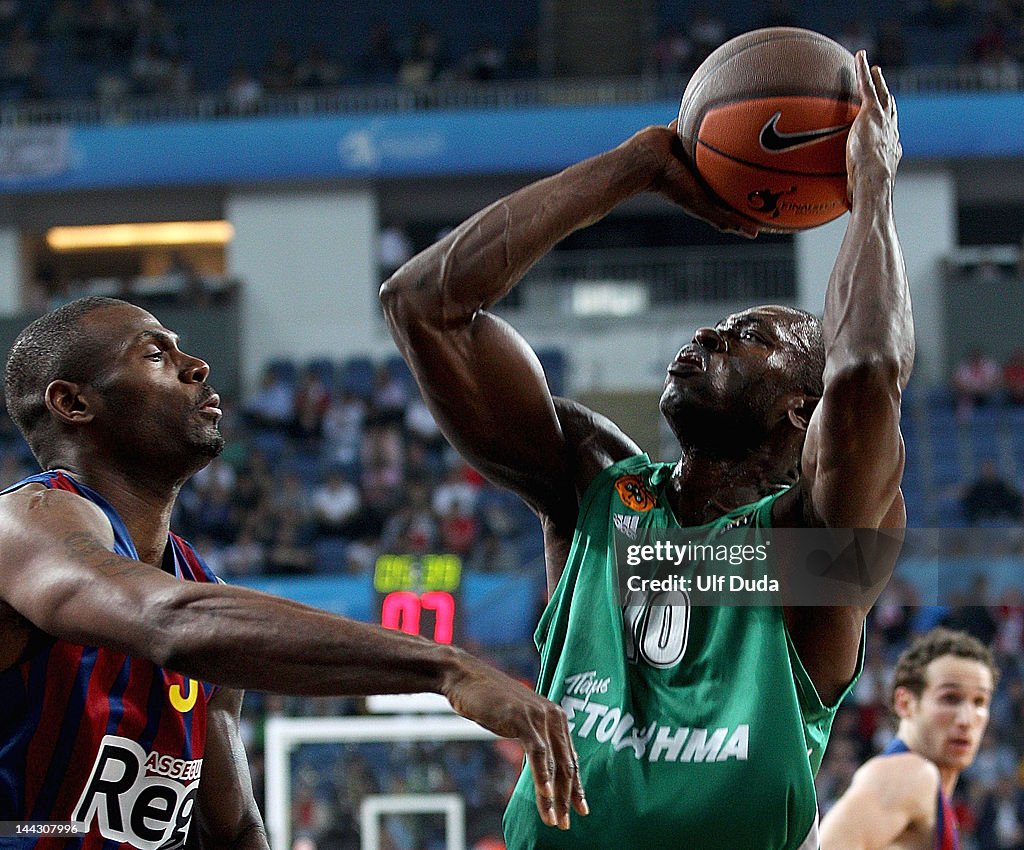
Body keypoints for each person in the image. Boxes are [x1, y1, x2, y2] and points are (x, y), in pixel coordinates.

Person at [381, 51, 912, 849]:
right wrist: (635, 167)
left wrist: (869, 191)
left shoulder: (813, 551)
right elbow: (425, 304)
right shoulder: (591, 485)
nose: (707, 335)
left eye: (749, 337)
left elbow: (869, 371)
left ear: (806, 407)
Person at [0, 296, 585, 847]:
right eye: (155, 354)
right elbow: (168, 622)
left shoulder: (206, 595)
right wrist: (446, 668)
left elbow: (234, 832)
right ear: (73, 403)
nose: (197, 365)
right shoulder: (23, 523)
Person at [819, 628, 999, 850]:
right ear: (905, 703)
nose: (966, 719)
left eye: (979, 701)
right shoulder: (910, 773)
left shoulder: (928, 791)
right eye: (949, 698)